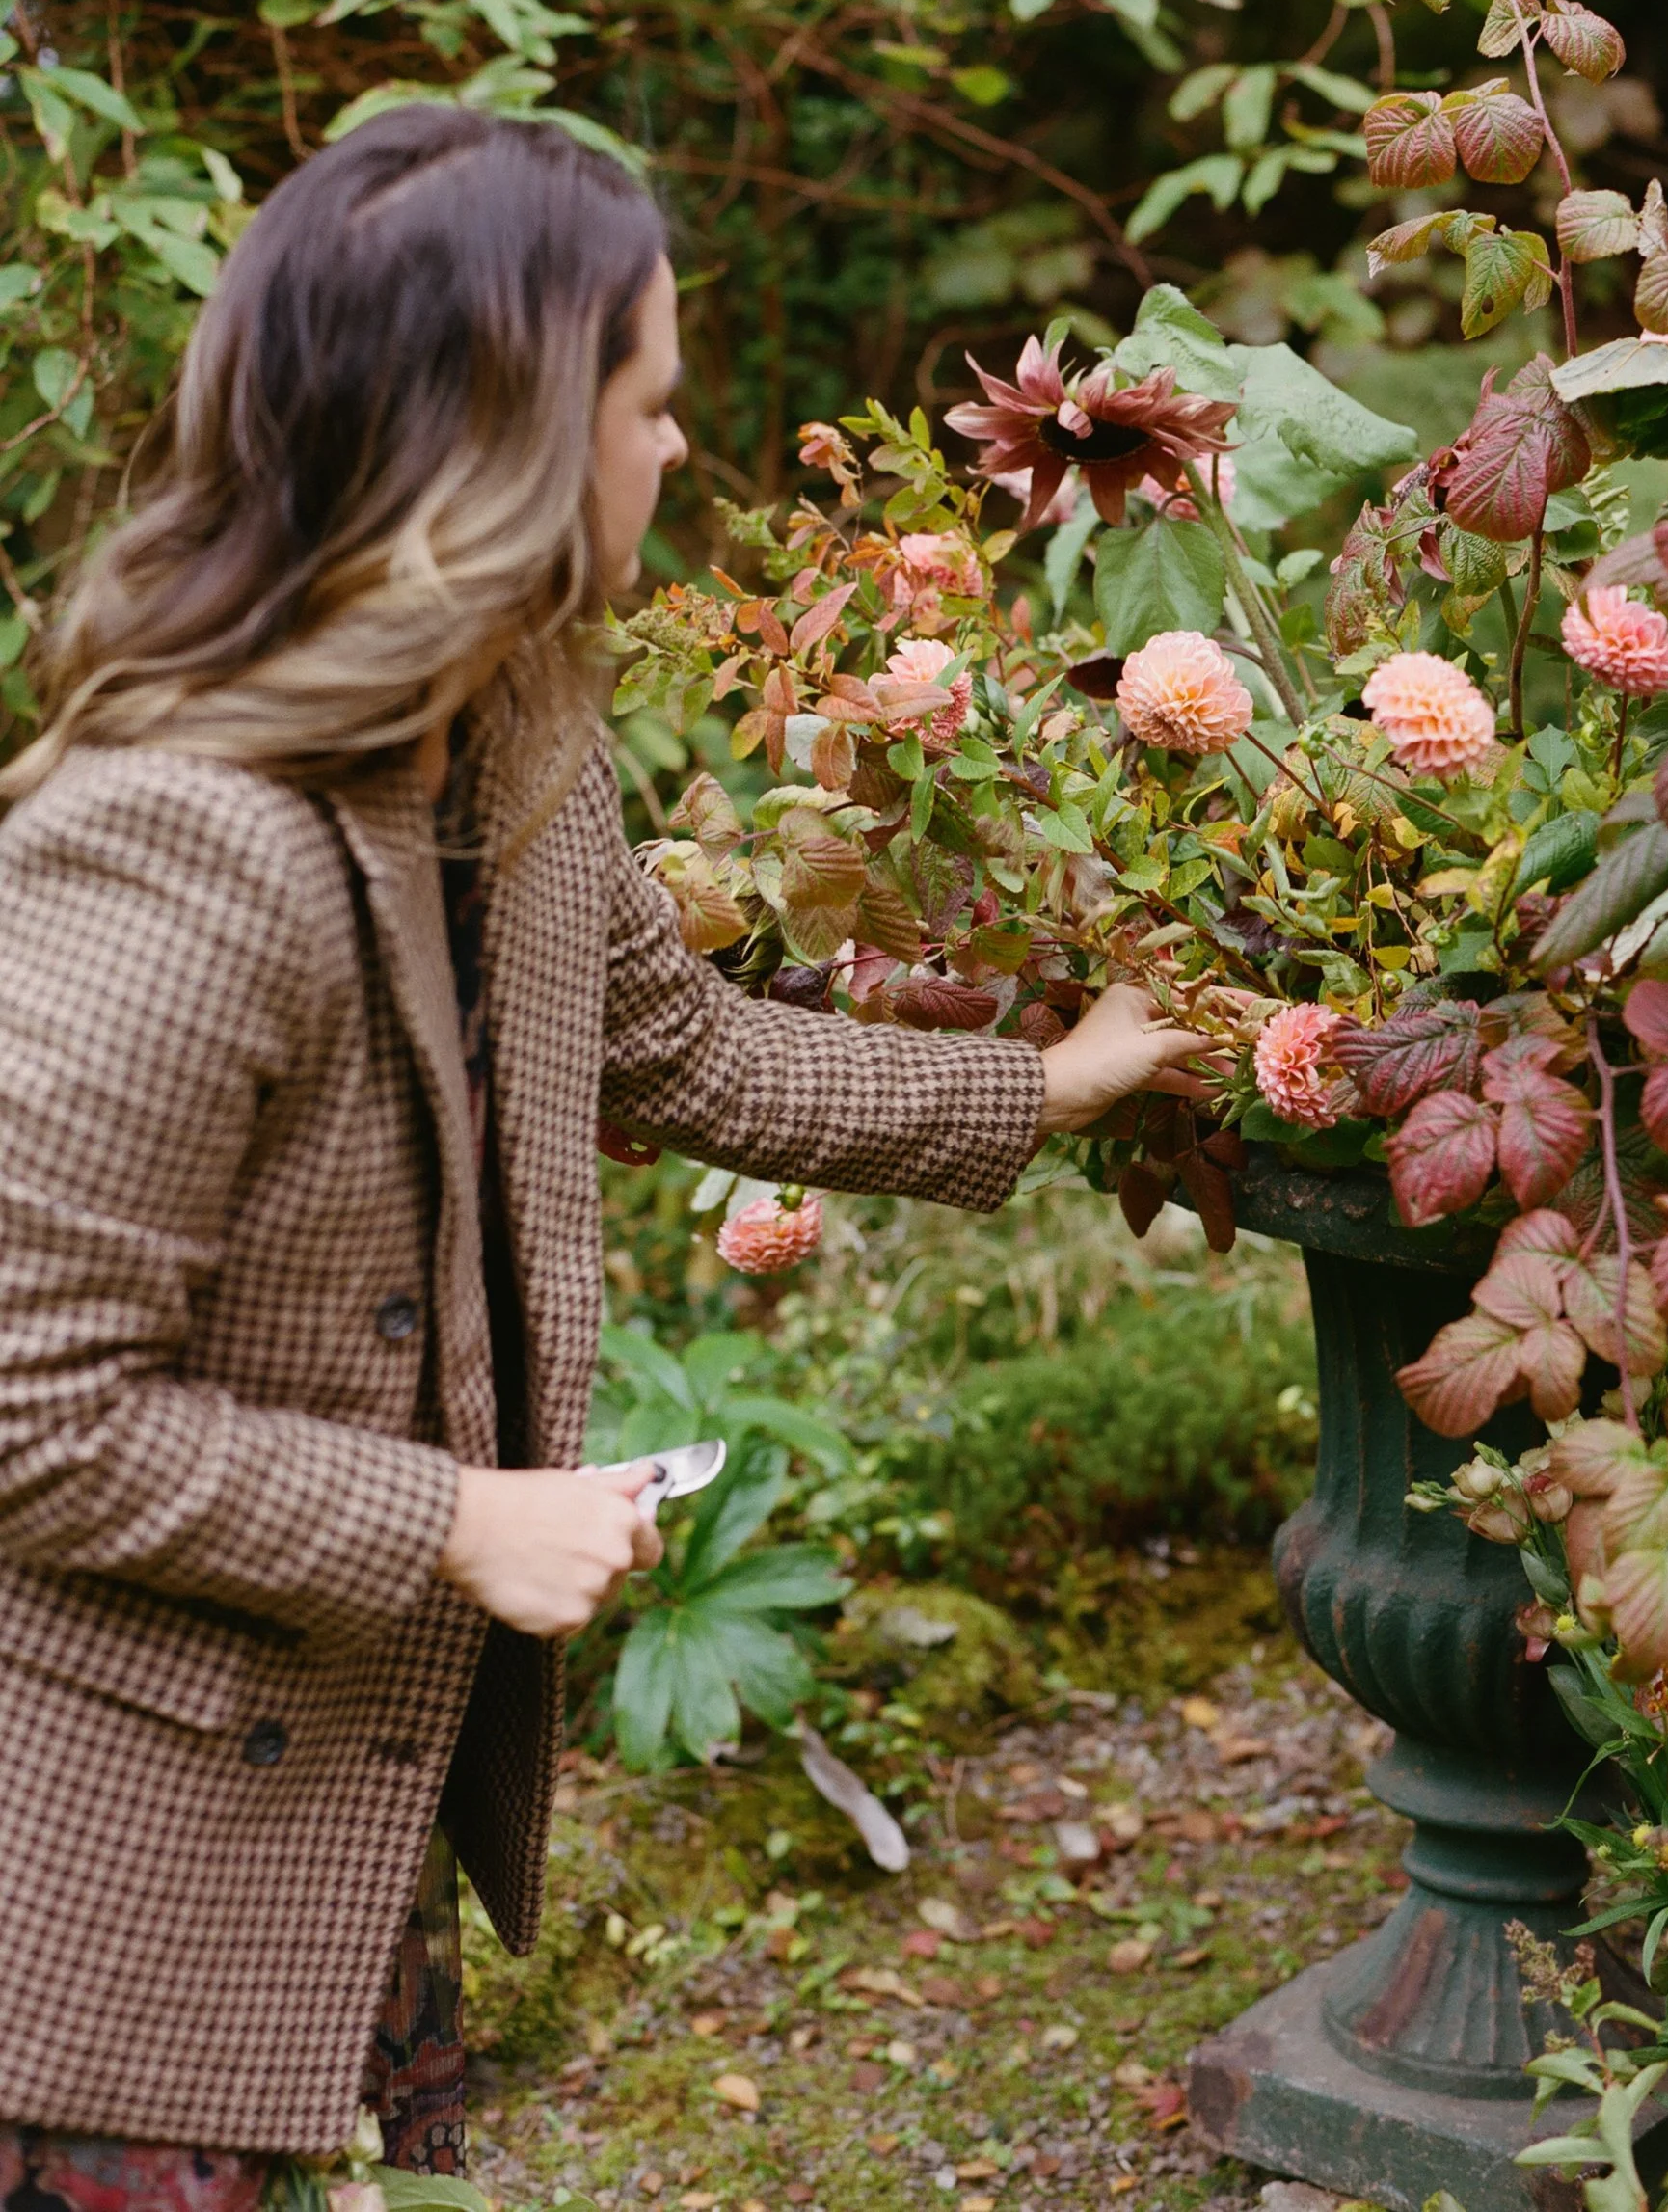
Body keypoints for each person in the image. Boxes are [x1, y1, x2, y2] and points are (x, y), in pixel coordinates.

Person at [0, 107, 1204, 2208]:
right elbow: (26, 1403)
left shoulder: (518, 737)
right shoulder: (174, 839)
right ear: (507, 442)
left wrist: (1056, 1087)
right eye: (643, 403)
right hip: (103, 1855)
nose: (673, 451)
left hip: (331, 1780)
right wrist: (448, 1515)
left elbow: (678, 1043)